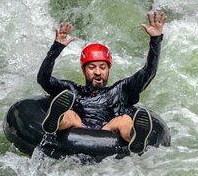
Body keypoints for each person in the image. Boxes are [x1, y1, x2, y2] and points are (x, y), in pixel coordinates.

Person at [37, 11, 167, 154]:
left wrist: (155, 39)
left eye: (102, 67)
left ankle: (135, 138)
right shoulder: (72, 90)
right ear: (84, 70)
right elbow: (43, 79)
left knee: (123, 120)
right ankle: (55, 120)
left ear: (108, 70)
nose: (98, 72)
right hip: (78, 126)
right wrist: (57, 46)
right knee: (69, 114)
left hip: (108, 130)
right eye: (92, 67)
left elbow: (149, 72)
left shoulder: (120, 90)